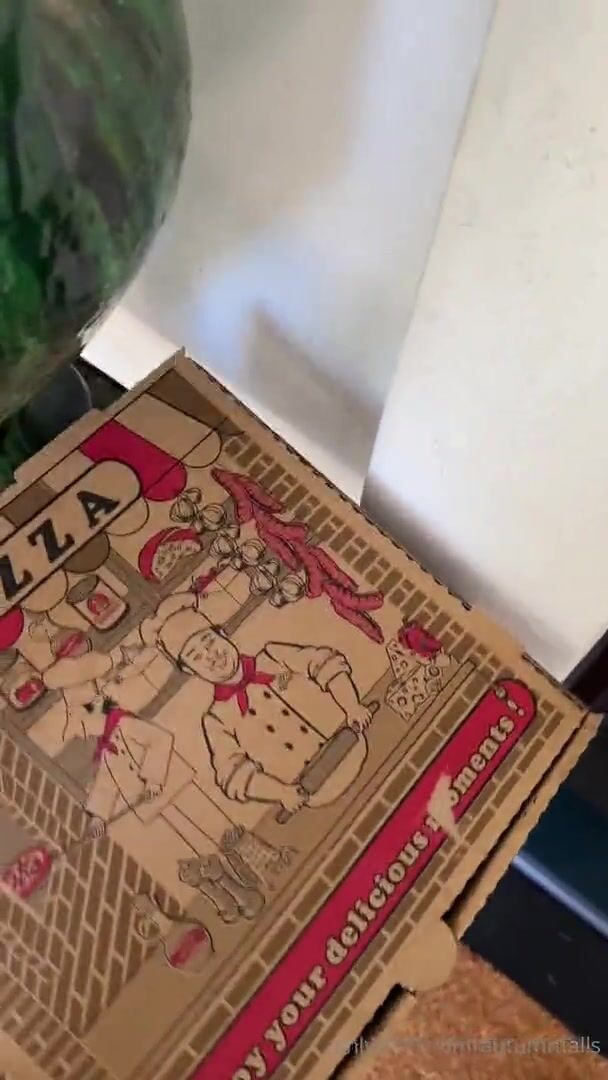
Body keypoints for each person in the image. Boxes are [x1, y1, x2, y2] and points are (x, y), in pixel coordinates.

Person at [141, 590, 373, 816]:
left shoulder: (273, 658)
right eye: (196, 656)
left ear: (222, 634)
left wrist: (351, 706)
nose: (211, 656)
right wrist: (281, 792)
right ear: (190, 670)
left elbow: (323, 662)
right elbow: (233, 773)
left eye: (209, 641)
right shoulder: (218, 718)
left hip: (351, 741)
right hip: (313, 790)